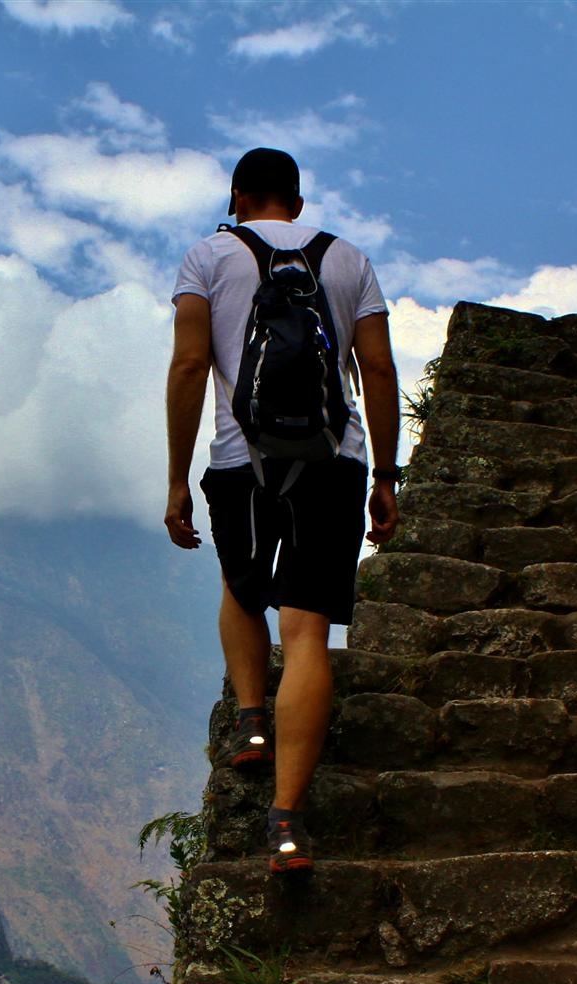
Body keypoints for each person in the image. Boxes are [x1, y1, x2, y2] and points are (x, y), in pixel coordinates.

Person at [164, 147, 401, 875]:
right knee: (304, 633)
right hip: (335, 458)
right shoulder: (349, 260)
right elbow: (380, 369)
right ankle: (287, 822)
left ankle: (250, 722)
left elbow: (189, 366)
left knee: (241, 589)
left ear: (237, 197)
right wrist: (385, 477)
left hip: (242, 458)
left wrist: (177, 478)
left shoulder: (207, 257)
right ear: (295, 204)